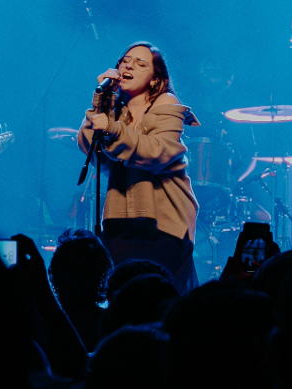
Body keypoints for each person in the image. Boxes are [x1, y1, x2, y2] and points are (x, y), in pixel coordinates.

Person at [76, 41, 201, 293]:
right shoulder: (115, 109)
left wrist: (112, 128)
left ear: (155, 80)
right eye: (125, 61)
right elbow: (89, 147)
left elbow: (155, 153)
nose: (128, 65)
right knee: (122, 299)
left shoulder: (167, 104)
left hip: (161, 225)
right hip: (120, 222)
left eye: (140, 63)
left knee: (155, 300)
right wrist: (102, 103)